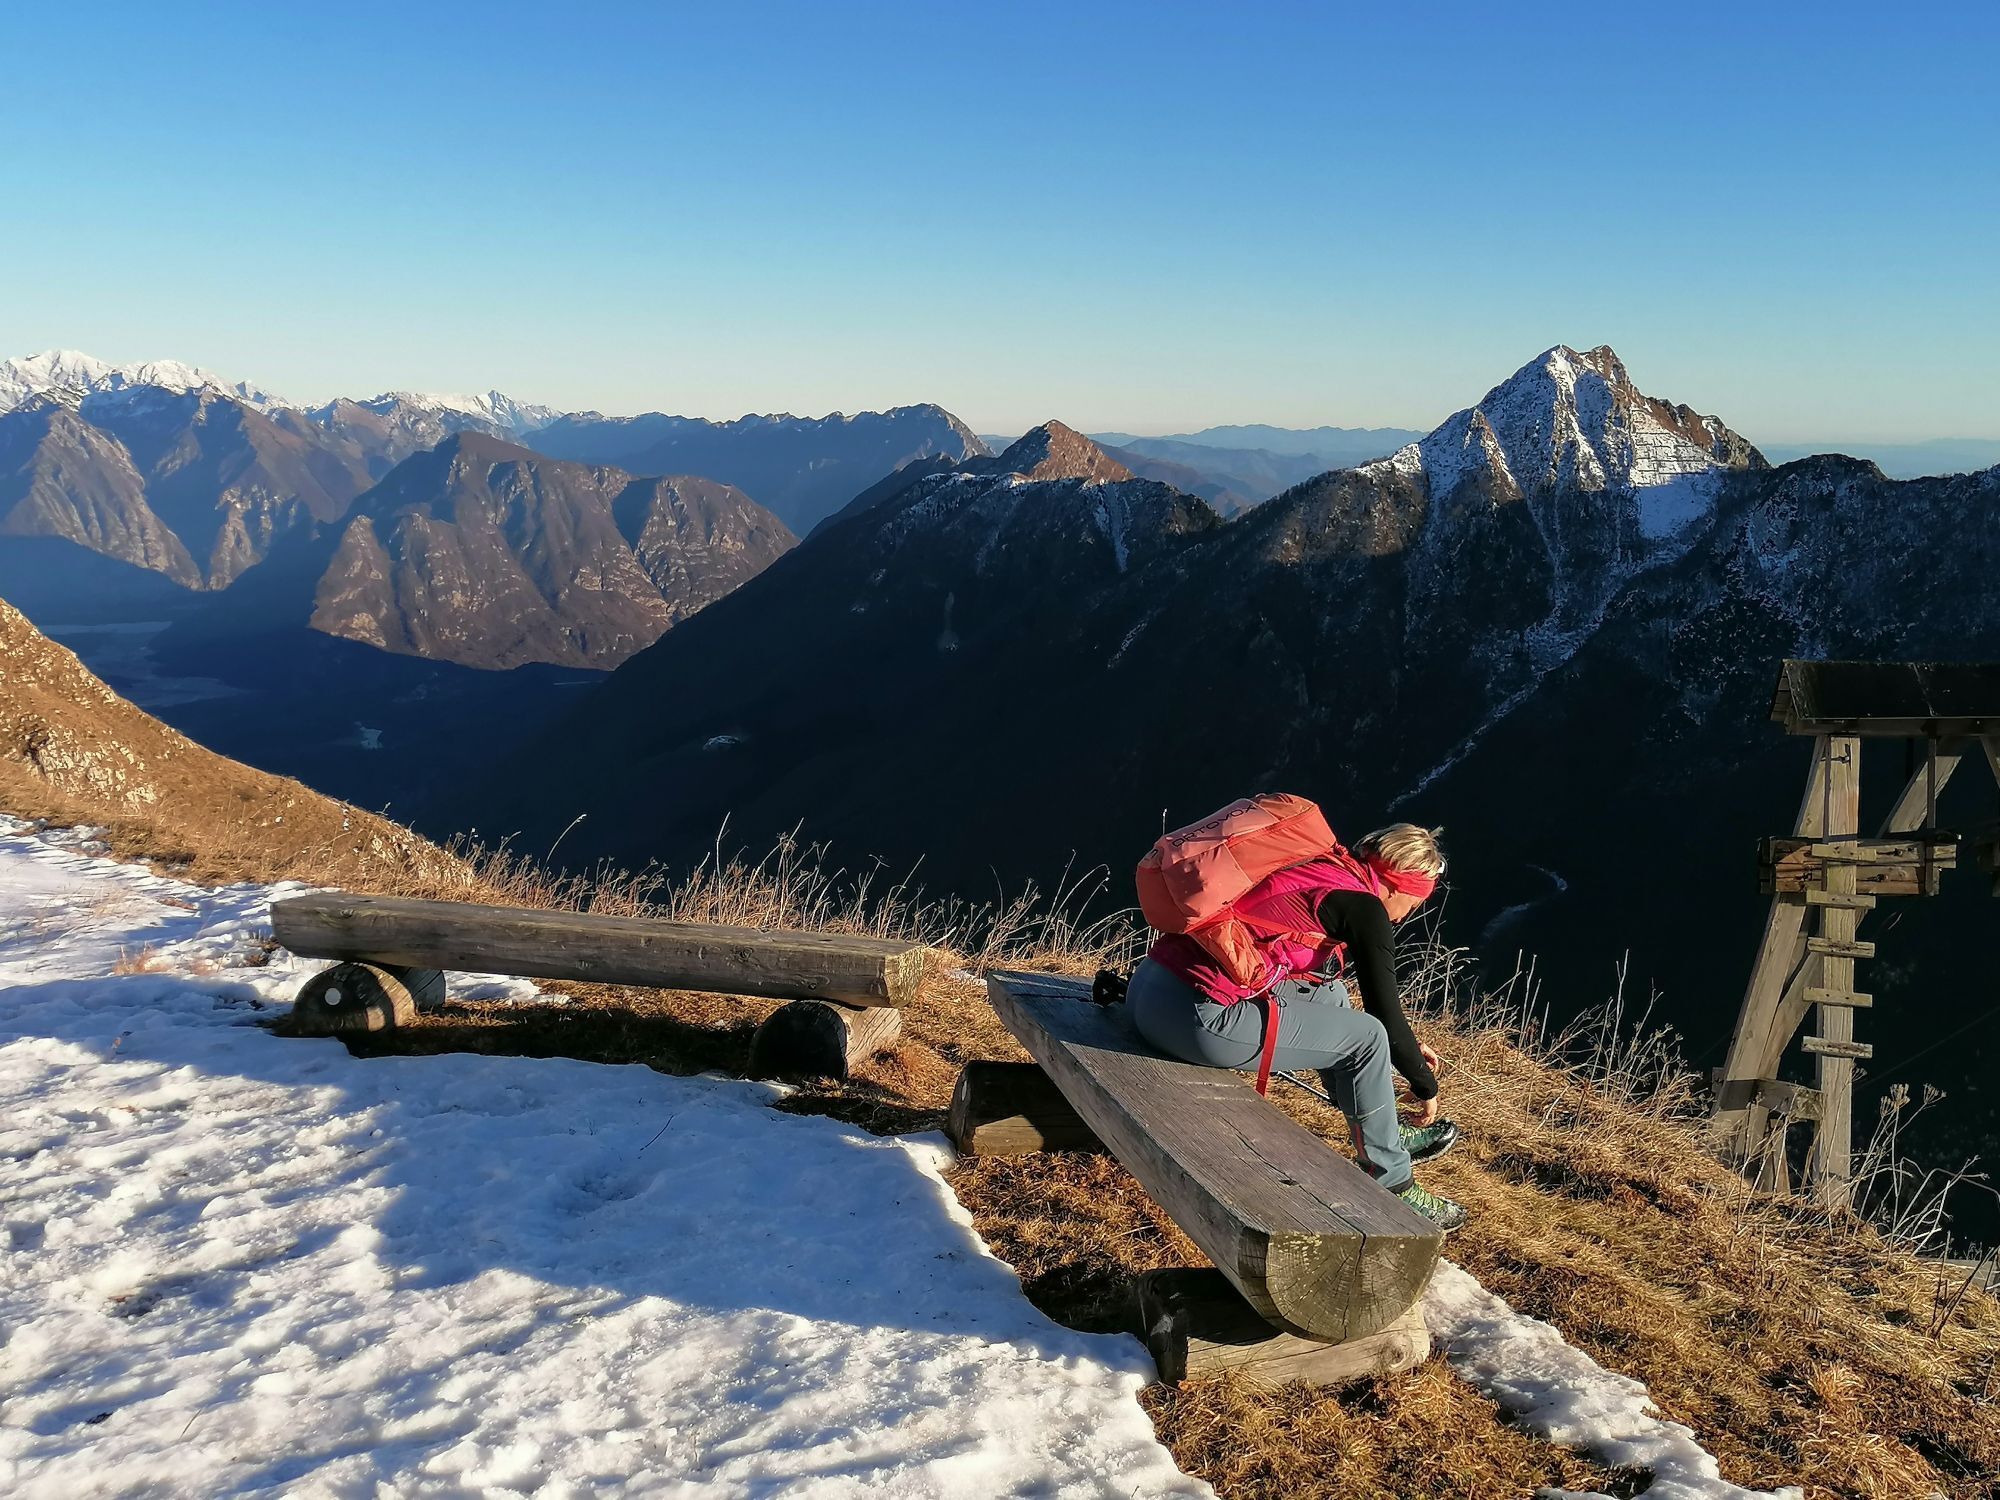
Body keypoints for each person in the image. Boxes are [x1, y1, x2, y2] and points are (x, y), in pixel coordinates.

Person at [1126, 823, 1468, 1231]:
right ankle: (1393, 1181)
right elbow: (1384, 1017)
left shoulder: (1322, 868)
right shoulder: (1364, 908)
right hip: (1194, 1020)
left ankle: (1384, 1130)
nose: (1410, 912)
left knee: (1329, 993)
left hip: (1151, 989)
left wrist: (1405, 1045)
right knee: (1367, 1038)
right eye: (1417, 901)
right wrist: (1424, 1084)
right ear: (1400, 885)